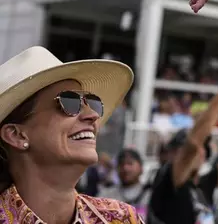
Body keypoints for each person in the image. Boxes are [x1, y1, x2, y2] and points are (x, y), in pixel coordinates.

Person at [0, 46, 143, 222]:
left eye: (92, 102)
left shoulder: (122, 219)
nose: (93, 115)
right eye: (69, 102)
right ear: (16, 135)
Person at [148, 63, 218, 224]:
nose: (199, 152)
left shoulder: (203, 185)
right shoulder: (167, 179)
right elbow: (192, 144)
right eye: (180, 150)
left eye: (203, 149)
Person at [99, 148, 151, 218]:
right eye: (121, 164)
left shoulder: (150, 195)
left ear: (141, 168)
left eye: (130, 163)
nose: (125, 168)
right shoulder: (106, 195)